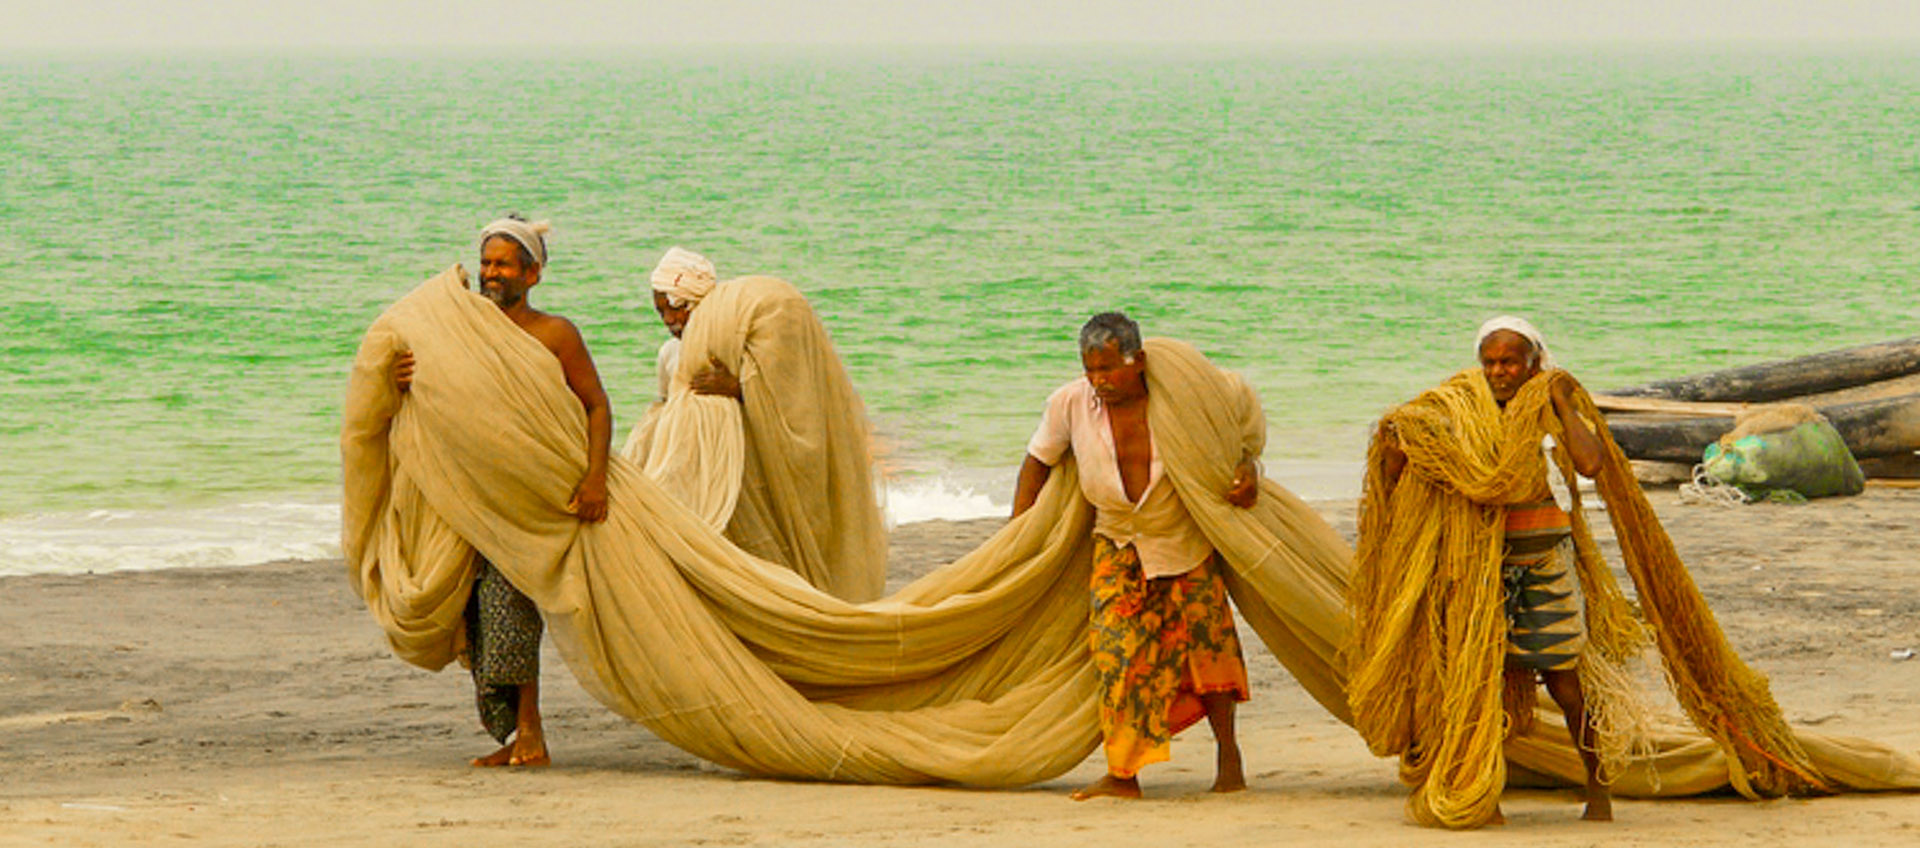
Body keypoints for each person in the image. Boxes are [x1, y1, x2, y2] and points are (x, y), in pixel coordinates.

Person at [1351, 316, 1612, 825]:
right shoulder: (1455, 409)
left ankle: (1598, 790)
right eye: (1490, 361)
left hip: (1543, 562)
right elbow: (1398, 470)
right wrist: (1394, 450)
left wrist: (1558, 399)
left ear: (1532, 361)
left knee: (1566, 683)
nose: (1499, 371)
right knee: (1473, 682)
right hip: (1479, 567)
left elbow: (1591, 463)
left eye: (1510, 361)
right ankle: (1480, 791)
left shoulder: (1546, 407)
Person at [1011, 311, 1261, 800]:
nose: (1099, 381)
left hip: (1182, 542)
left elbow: (1237, 441)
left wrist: (1248, 469)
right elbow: (1036, 463)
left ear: (1138, 360)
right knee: (1117, 656)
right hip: (1117, 543)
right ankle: (1123, 775)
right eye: (1091, 370)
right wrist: (1018, 535)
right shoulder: (1069, 403)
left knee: (1210, 654)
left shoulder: (1178, 401)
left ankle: (1229, 758)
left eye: (1109, 369)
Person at [392, 216, 613, 767]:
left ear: (533, 274)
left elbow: (595, 406)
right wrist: (400, 381)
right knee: (479, 616)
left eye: (503, 265)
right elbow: (442, 397)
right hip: (474, 496)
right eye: (485, 262)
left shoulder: (554, 334)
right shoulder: (462, 330)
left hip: (533, 499)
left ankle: (532, 733)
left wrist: (594, 478)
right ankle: (516, 734)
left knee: (511, 614)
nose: (491, 273)